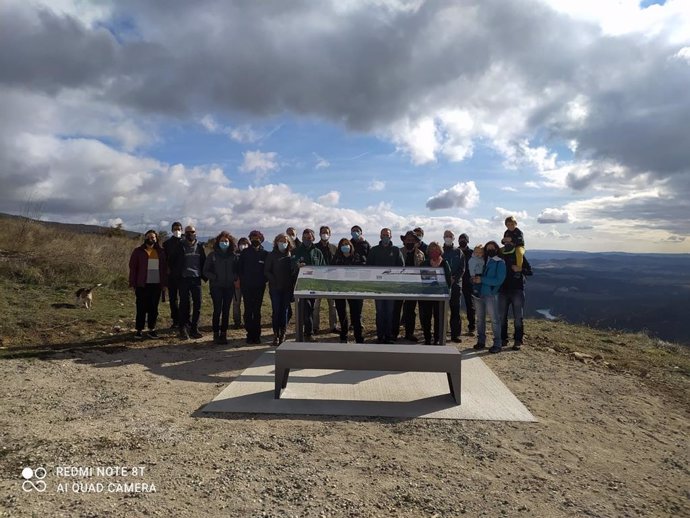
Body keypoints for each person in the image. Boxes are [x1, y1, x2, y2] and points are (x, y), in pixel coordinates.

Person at [168, 225, 207, 340]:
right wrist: (177, 274)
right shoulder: (179, 246)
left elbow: (203, 261)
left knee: (198, 304)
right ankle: (183, 328)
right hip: (183, 279)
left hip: (196, 279)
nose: (191, 234)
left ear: (196, 232)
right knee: (184, 305)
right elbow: (171, 261)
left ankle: (194, 328)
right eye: (188, 232)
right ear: (185, 233)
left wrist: (204, 276)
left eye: (193, 231)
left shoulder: (200, 246)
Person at [128, 230, 168, 339]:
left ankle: (152, 329)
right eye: (149, 237)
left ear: (156, 239)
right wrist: (132, 283)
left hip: (156, 285)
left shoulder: (161, 252)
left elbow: (164, 269)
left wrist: (164, 284)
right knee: (141, 308)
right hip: (142, 285)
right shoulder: (138, 251)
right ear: (145, 238)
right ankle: (139, 330)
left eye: (153, 237)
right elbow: (133, 268)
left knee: (153, 309)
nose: (151, 239)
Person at [368, 228, 404, 344]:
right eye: (383, 235)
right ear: (380, 236)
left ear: (391, 236)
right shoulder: (374, 250)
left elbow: (401, 266)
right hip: (378, 287)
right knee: (379, 312)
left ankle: (388, 336)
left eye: (387, 235)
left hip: (391, 287)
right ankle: (380, 335)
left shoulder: (396, 250)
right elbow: (368, 266)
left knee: (389, 312)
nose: (385, 237)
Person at [203, 231, 238, 345]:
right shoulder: (212, 255)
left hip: (229, 287)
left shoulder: (234, 256)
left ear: (230, 242)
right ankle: (215, 334)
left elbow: (238, 270)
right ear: (218, 242)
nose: (224, 243)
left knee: (226, 311)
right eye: (222, 241)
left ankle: (224, 334)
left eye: (226, 241)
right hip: (216, 286)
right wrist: (214, 277)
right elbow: (205, 271)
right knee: (217, 310)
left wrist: (235, 278)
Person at [472, 241, 506, 354]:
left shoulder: (500, 263)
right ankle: (481, 341)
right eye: (488, 248)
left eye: (493, 248)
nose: (490, 250)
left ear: (497, 249)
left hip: (491, 294)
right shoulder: (483, 261)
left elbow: (499, 280)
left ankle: (497, 344)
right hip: (479, 293)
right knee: (480, 319)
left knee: (495, 320)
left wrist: (482, 280)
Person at [264, 233, 298, 346]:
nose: (283, 243)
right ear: (276, 242)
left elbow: (293, 272)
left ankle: (283, 334)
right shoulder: (271, 255)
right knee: (276, 311)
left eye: (285, 241)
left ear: (288, 243)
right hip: (275, 288)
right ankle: (275, 334)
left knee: (285, 312)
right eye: (280, 241)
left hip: (287, 288)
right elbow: (267, 271)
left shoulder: (291, 255)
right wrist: (273, 280)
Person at [293, 229, 325, 341]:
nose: (307, 239)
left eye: (309, 237)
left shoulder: (317, 252)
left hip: (314, 285)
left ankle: (306, 330)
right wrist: (297, 265)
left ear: (313, 238)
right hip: (301, 285)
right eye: (305, 237)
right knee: (305, 307)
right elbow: (292, 265)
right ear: (302, 238)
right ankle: (308, 332)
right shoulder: (296, 251)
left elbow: (323, 267)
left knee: (310, 308)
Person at [393, 230, 425, 342]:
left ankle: (409, 333)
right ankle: (394, 333)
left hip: (413, 286)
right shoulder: (398, 252)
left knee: (410, 311)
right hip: (399, 285)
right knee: (396, 310)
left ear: (416, 242)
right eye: (408, 240)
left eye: (412, 240)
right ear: (404, 241)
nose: (410, 242)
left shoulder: (421, 254)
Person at [499, 245, 532, 351]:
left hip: (517, 290)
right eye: (506, 238)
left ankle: (518, 340)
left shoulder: (519, 254)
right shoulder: (501, 253)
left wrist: (520, 269)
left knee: (518, 317)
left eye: (509, 238)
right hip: (503, 289)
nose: (507, 241)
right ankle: (503, 339)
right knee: (502, 317)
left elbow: (530, 271)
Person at [332, 238, 365, 343]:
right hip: (339, 290)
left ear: (351, 246)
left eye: (347, 244)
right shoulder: (336, 259)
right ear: (339, 247)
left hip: (355, 289)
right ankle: (344, 335)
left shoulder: (358, 258)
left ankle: (358, 336)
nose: (345, 246)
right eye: (343, 244)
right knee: (342, 314)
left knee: (356, 314)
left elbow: (363, 272)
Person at [238, 230, 268, 344]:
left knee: (257, 311)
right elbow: (240, 269)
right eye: (253, 238)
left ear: (261, 239)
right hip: (247, 286)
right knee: (248, 310)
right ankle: (249, 334)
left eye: (257, 237)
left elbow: (266, 271)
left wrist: (263, 281)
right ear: (250, 239)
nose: (255, 239)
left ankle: (257, 335)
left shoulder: (265, 254)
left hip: (259, 287)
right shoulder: (245, 253)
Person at [419, 242, 452, 345]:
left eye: (436, 250)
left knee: (439, 318)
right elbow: (420, 279)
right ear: (428, 252)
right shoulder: (424, 263)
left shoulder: (444, 263)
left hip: (440, 296)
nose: (434, 252)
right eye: (432, 250)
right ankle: (427, 338)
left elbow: (448, 280)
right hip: (426, 295)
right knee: (426, 318)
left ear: (440, 251)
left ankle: (437, 338)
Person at [442, 229, 466, 343]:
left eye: (450, 236)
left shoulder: (459, 252)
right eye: (446, 236)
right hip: (442, 285)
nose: (448, 237)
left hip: (456, 285)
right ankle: (441, 333)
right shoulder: (440, 251)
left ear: (453, 238)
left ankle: (455, 334)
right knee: (441, 310)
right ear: (443, 237)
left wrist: (454, 278)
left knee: (455, 310)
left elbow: (462, 268)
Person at [314, 225, 338, 335]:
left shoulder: (334, 248)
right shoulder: (314, 248)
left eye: (327, 232)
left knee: (333, 305)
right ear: (319, 234)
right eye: (323, 232)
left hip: (331, 281)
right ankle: (315, 327)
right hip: (317, 281)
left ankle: (333, 326)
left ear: (330, 234)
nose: (325, 234)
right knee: (316, 305)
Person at [162, 221, 183, 328]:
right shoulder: (166, 244)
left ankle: (185, 320)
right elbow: (164, 260)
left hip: (184, 275)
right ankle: (175, 320)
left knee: (185, 299)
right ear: (171, 230)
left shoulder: (185, 242)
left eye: (179, 229)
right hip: (172, 275)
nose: (177, 231)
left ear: (182, 230)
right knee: (173, 299)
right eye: (175, 229)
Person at [457, 233, 476, 336]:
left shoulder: (472, 253)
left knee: (470, 305)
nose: (462, 241)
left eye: (464, 239)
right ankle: (455, 328)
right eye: (461, 239)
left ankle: (472, 327)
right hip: (456, 281)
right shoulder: (456, 252)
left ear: (467, 241)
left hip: (469, 282)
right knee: (455, 305)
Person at [231, 237, 250, 330]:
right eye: (241, 243)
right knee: (236, 303)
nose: (243, 245)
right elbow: (233, 269)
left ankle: (247, 321)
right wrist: (236, 279)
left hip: (248, 283)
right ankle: (237, 322)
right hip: (237, 283)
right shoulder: (235, 255)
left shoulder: (250, 255)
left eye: (245, 243)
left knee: (248, 303)